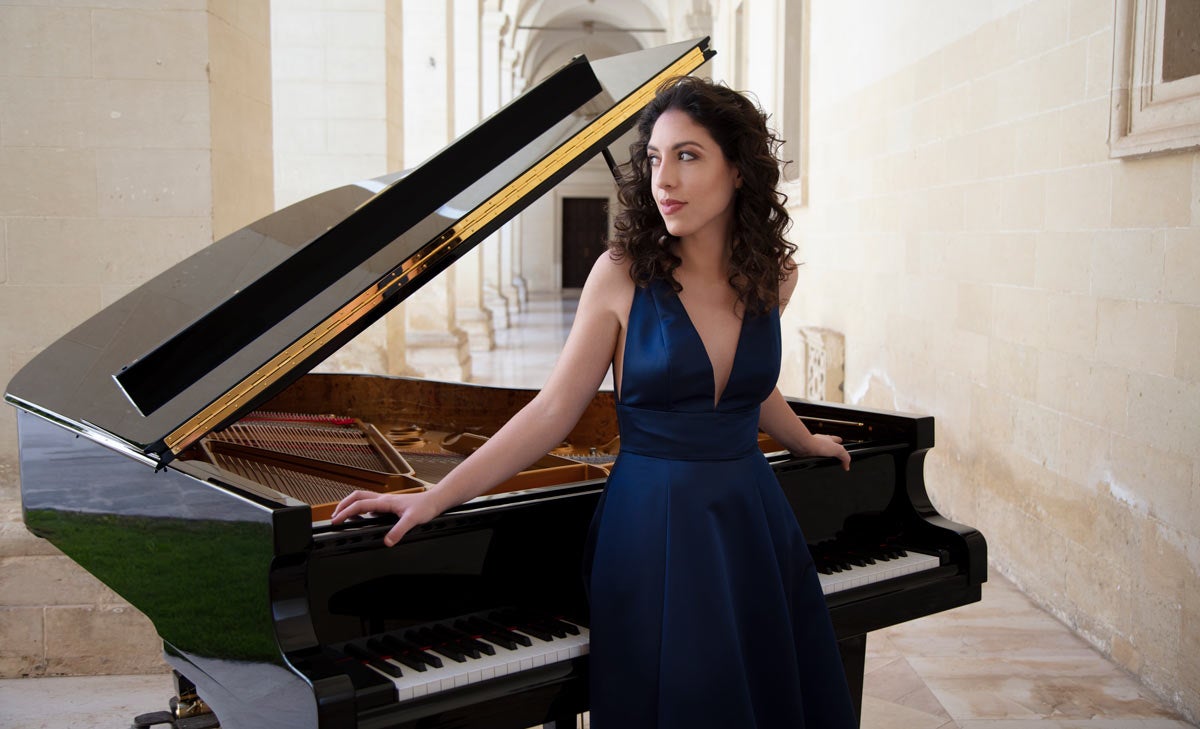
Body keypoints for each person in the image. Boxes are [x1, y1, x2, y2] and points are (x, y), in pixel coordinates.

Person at [332, 75, 858, 728]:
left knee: (769, 696)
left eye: (688, 155)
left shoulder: (775, 276)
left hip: (750, 517)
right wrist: (434, 496)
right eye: (656, 158)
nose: (664, 178)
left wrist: (803, 439)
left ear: (739, 171)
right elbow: (553, 411)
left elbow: (747, 387)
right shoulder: (621, 275)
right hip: (653, 527)